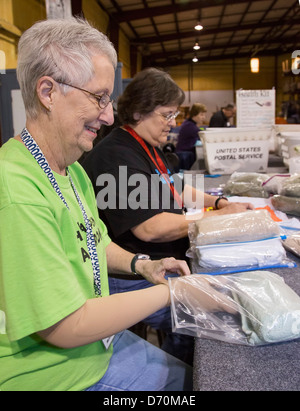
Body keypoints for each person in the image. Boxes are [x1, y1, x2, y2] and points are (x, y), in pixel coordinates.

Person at [0, 17, 200, 392]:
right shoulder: (16, 188)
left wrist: (143, 265)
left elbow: (93, 240)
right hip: (57, 374)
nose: (109, 115)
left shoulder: (72, 170)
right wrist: (174, 291)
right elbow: (65, 325)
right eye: (99, 98)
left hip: (96, 346)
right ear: (48, 91)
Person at [82, 68, 254, 364]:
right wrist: (217, 221)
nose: (172, 124)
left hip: (166, 262)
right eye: (166, 115)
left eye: (174, 115)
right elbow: (150, 229)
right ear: (138, 112)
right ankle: (178, 375)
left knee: (231, 295)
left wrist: (220, 202)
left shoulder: (147, 146)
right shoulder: (116, 155)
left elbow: (177, 188)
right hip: (132, 273)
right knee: (215, 316)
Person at [175, 103, 207, 169]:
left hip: (184, 154)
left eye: (204, 115)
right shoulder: (190, 126)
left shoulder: (188, 123)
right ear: (194, 115)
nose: (204, 117)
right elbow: (203, 137)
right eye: (201, 115)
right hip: (184, 156)